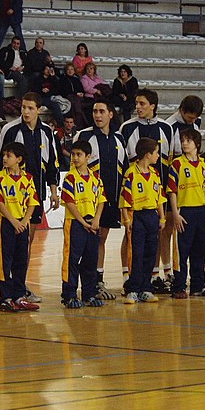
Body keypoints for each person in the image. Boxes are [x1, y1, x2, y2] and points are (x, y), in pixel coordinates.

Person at [0, 92, 60, 302]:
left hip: (34, 198)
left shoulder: (47, 132)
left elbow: (53, 162)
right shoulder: (10, 130)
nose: (26, 112)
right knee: (10, 246)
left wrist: (54, 191)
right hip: (11, 201)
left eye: (30, 108)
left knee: (26, 242)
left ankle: (21, 286)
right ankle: (7, 289)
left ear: (39, 110)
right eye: (23, 107)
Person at [118, 89, 173, 292]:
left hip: (156, 195)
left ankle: (152, 277)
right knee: (131, 237)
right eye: (136, 103)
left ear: (153, 106)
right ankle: (128, 276)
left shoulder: (167, 128)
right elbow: (123, 163)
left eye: (142, 103)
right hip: (134, 200)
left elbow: (171, 159)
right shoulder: (127, 128)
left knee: (155, 237)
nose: (138, 107)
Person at [74, 100, 127, 300]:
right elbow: (75, 168)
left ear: (110, 114)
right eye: (95, 111)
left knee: (101, 239)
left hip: (112, 200)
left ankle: (97, 281)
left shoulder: (119, 138)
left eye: (102, 111)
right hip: (89, 203)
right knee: (88, 242)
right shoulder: (84, 136)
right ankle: (85, 285)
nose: (97, 115)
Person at [0, 141, 40, 312]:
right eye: (4, 155)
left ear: (19, 159)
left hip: (22, 224)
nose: (4, 158)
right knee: (5, 261)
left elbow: (32, 202)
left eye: (8, 156)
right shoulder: (0, 177)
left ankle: (19, 295)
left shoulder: (28, 178)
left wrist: (24, 221)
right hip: (7, 223)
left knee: (21, 260)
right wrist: (14, 221)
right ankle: (5, 297)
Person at [167, 128, 205, 298]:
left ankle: (198, 285)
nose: (184, 143)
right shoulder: (177, 164)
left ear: (197, 143)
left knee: (200, 250)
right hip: (184, 212)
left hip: (201, 211)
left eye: (188, 140)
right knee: (182, 251)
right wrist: (175, 213)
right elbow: (172, 190)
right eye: (183, 140)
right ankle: (179, 286)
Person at [60, 140, 106, 308]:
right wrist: (82, 221)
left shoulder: (95, 178)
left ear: (88, 157)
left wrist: (96, 220)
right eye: (73, 154)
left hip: (92, 224)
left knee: (90, 260)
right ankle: (69, 294)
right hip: (75, 224)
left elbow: (101, 200)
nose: (75, 158)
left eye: (79, 155)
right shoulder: (70, 177)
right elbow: (69, 202)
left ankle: (89, 294)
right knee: (72, 260)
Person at [119, 137, 165, 304]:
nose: (158, 156)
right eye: (156, 153)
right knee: (136, 254)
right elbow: (124, 199)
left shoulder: (155, 173)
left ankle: (146, 288)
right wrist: (126, 219)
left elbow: (159, 196)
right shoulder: (131, 173)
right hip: (137, 216)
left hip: (152, 216)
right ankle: (133, 289)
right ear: (147, 154)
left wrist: (162, 217)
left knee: (150, 253)